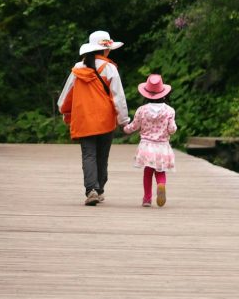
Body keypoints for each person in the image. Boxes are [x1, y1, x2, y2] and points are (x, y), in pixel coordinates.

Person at [57, 31, 130, 205]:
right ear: (105, 50)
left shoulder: (78, 69)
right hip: (105, 120)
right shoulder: (110, 68)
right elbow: (118, 97)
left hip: (84, 120)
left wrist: (65, 111)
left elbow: (65, 96)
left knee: (88, 155)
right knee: (102, 156)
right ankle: (100, 189)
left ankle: (91, 190)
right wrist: (124, 120)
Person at [123, 74, 177, 207]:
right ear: (163, 93)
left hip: (147, 147)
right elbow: (172, 129)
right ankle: (161, 185)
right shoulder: (169, 110)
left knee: (148, 172)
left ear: (146, 93)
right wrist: (172, 127)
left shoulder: (142, 110)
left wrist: (125, 128)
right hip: (162, 147)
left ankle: (147, 199)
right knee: (160, 171)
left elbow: (134, 126)